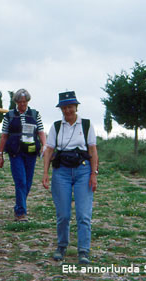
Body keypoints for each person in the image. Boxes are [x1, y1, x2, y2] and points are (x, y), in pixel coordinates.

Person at [42, 91, 98, 264]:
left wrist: (93, 174)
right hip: (62, 172)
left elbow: (93, 150)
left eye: (70, 107)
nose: (67, 110)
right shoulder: (56, 126)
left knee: (83, 214)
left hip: (83, 170)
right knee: (63, 214)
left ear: (76, 107)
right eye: (64, 107)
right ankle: (62, 245)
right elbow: (49, 150)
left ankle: (83, 250)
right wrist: (45, 173)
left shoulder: (87, 125)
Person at [0, 89, 46, 221]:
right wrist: (0, 154)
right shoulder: (9, 116)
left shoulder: (35, 114)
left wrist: (44, 145)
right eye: (20, 102)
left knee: (28, 182)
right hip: (15, 152)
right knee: (20, 181)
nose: (22, 104)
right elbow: (4, 136)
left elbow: (41, 132)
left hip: (30, 152)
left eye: (24, 102)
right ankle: (21, 212)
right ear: (16, 102)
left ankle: (19, 206)